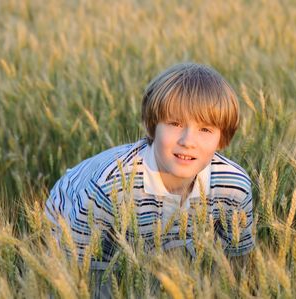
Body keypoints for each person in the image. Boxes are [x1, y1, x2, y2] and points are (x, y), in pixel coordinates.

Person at [45, 62, 255, 297]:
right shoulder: (110, 188)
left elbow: (237, 263)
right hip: (79, 220)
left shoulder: (234, 187)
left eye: (205, 129)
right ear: (152, 127)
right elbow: (72, 268)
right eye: (175, 123)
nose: (188, 140)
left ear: (222, 139)